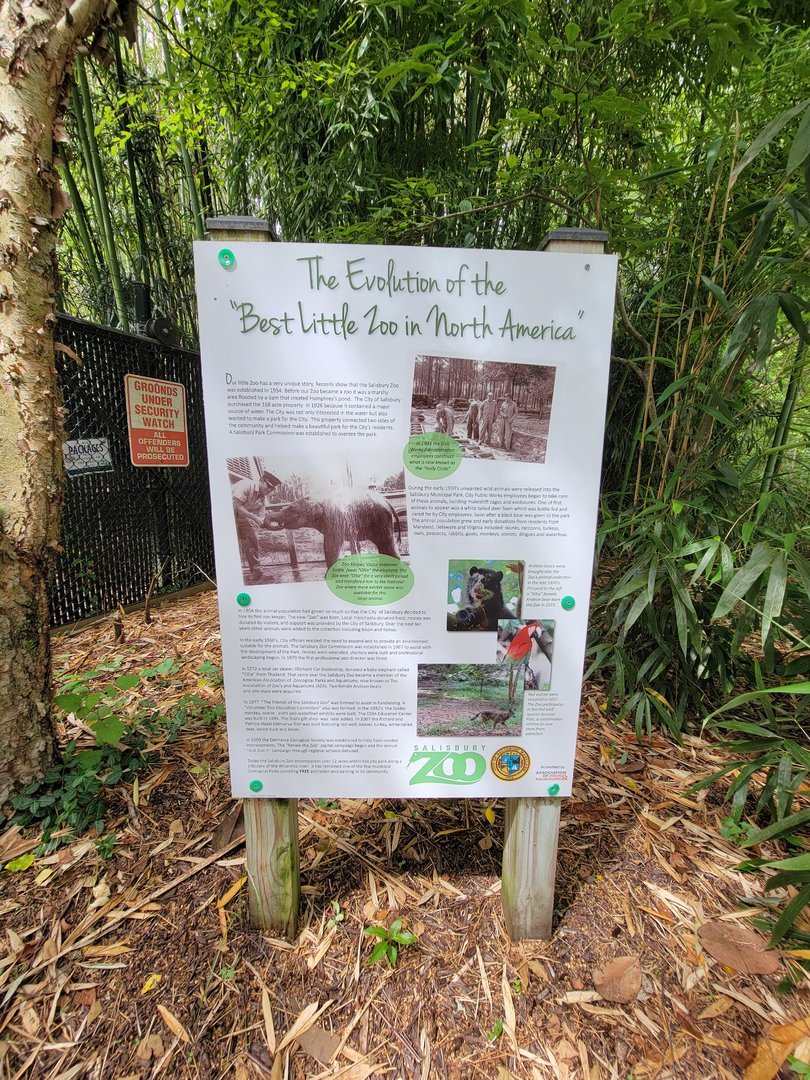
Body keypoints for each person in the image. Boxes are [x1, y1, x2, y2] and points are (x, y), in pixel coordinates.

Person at [232, 470, 280, 584]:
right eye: (268, 486)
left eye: (271, 488)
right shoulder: (247, 485)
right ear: (261, 481)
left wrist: (272, 524)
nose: (268, 490)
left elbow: (261, 518)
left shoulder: (263, 499)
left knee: (252, 539)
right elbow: (236, 505)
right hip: (227, 512)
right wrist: (254, 518)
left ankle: (257, 574)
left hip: (242, 516)